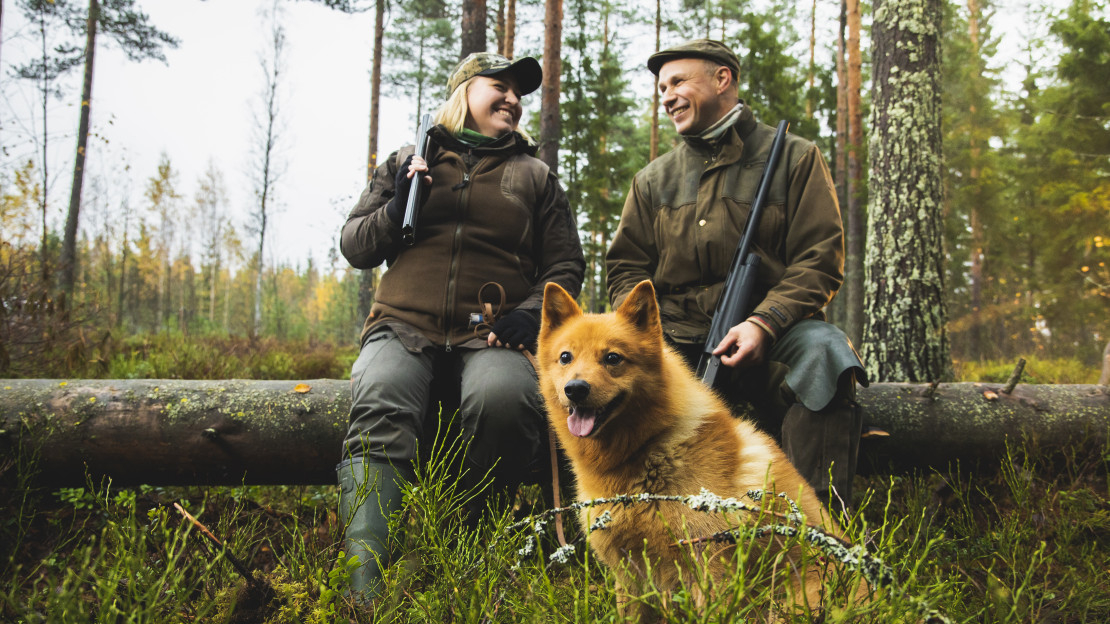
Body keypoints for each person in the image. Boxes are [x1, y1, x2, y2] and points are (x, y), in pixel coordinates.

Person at [337, 52, 585, 600]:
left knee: (504, 399)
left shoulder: (536, 176)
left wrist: (531, 312)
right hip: (401, 324)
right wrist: (398, 204)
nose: (514, 100)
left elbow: (567, 266)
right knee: (380, 396)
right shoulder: (408, 160)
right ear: (464, 92)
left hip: (492, 332)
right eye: (500, 87)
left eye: (520, 94)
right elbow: (355, 245)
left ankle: (461, 563)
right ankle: (365, 592)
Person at [605, 39, 868, 513]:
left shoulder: (794, 157)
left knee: (826, 355)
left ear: (722, 79)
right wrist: (650, 338)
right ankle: (635, 533)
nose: (666, 96)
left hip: (774, 332)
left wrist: (764, 323)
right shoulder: (653, 180)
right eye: (662, 87)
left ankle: (822, 532)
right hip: (677, 341)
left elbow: (820, 258)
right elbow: (626, 269)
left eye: (678, 81)